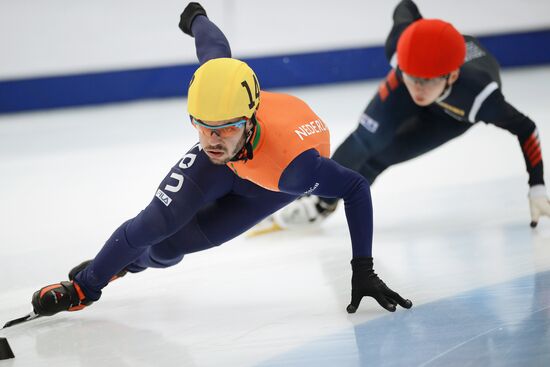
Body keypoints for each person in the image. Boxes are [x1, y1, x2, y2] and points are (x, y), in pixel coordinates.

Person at [30, 2, 412, 317]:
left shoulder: (294, 170)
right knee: (156, 224)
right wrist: (196, 16)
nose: (212, 140)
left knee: (167, 248)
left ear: (249, 119)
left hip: (269, 181)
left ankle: (128, 265)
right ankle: (86, 287)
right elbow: (213, 46)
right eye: (202, 126)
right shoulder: (218, 93)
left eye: (226, 128)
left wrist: (363, 269)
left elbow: (355, 186)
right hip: (239, 163)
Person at [263, 0, 550, 232]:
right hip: (410, 78)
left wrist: (536, 186)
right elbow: (405, 7)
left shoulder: (480, 97)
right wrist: (419, 40)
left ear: (451, 76)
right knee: (366, 140)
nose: (418, 89)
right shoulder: (401, 52)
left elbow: (526, 128)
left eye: (426, 81)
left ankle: (323, 204)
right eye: (413, 78)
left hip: (452, 116)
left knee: (382, 157)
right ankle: (317, 198)